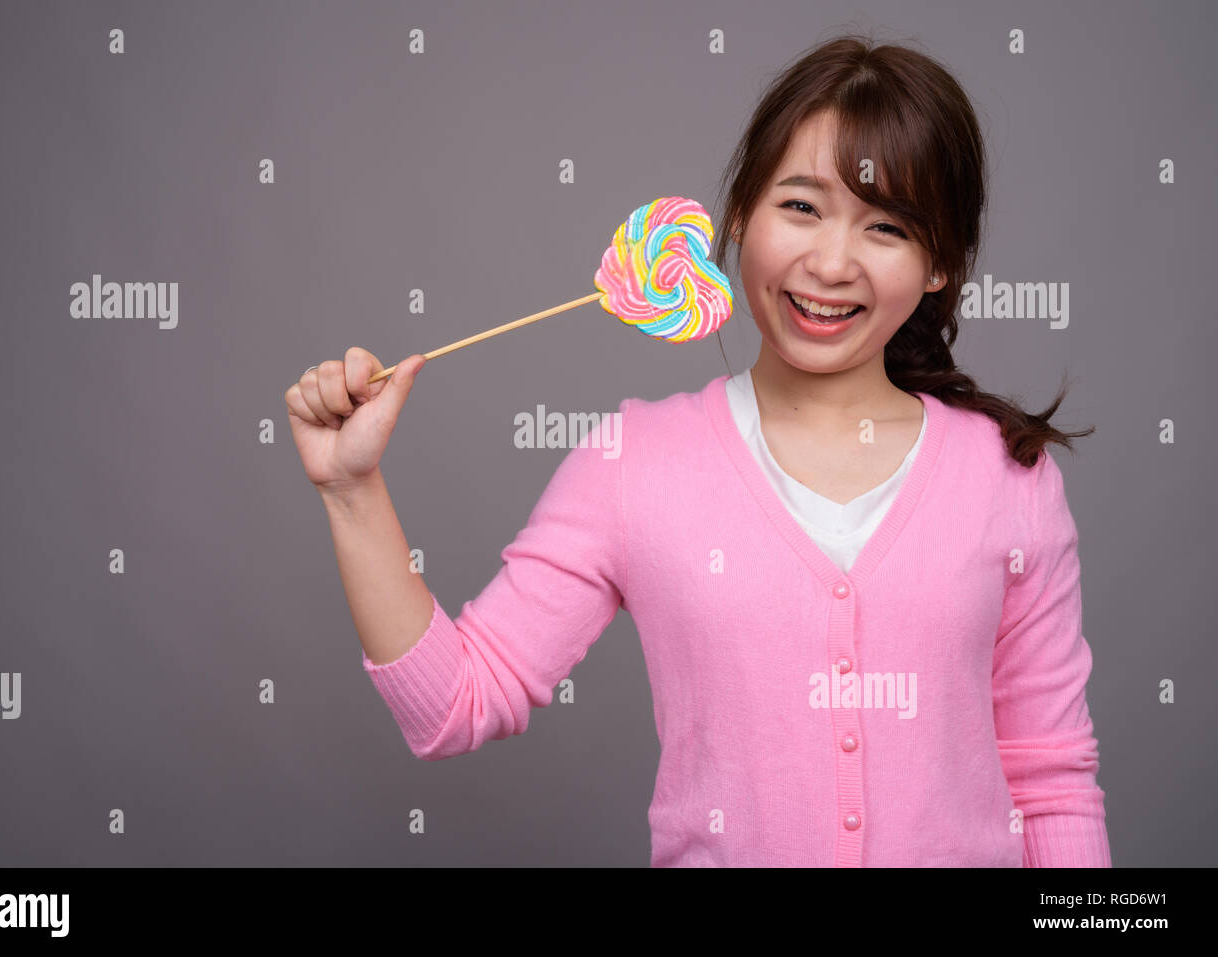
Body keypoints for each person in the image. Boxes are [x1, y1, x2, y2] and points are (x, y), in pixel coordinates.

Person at [284, 32, 1110, 867]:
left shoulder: (1008, 476)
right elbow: (454, 704)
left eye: (887, 226)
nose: (830, 261)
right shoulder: (633, 463)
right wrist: (352, 490)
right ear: (741, 213)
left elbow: (1051, 780)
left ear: (939, 264)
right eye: (801, 206)